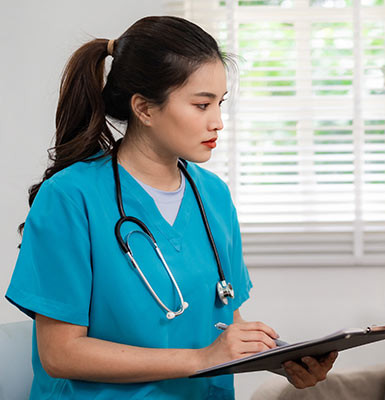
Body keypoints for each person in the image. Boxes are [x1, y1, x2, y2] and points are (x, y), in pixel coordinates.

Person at [5, 16, 335, 399]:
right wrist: (199, 359)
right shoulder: (70, 197)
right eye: (201, 105)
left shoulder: (213, 195)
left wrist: (282, 359)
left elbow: (221, 320)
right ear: (144, 109)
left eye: (220, 104)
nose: (218, 122)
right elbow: (60, 354)